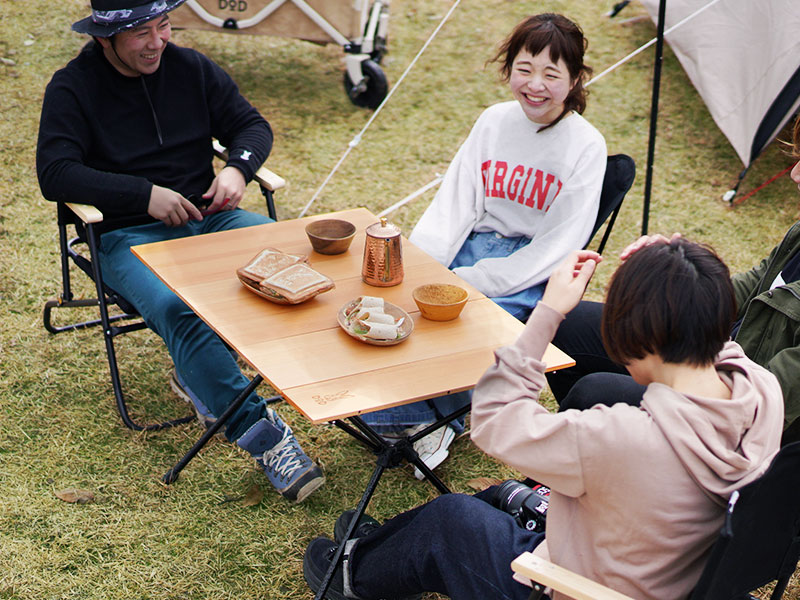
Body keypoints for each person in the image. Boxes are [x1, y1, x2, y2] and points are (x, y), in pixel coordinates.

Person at [303, 238, 783, 600]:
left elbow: (494, 419)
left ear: (635, 336)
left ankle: (349, 573)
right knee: (496, 496)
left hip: (578, 588)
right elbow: (725, 346)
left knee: (451, 523)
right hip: (662, 569)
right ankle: (384, 544)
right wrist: (681, 271)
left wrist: (548, 312)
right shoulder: (760, 392)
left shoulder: (619, 438)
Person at [36, 0, 324, 502]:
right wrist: (142, 194)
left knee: (302, 262)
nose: (158, 41)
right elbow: (55, 172)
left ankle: (237, 377)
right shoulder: (72, 86)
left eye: (163, 25)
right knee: (179, 307)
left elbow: (252, 126)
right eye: (141, 33)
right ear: (106, 39)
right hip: (126, 234)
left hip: (210, 216)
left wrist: (237, 168)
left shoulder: (191, 68)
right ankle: (265, 438)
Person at [360, 13, 608, 477]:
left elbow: (557, 244)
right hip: (473, 244)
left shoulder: (586, 145)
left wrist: (479, 279)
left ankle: (434, 423)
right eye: (524, 69)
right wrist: (426, 264)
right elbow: (455, 202)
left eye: (552, 74)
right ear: (508, 69)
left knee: (469, 317)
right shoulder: (493, 121)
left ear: (574, 79)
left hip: (527, 266)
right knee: (408, 304)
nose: (535, 85)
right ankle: (406, 412)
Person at [546, 113, 800, 445]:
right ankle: (612, 462)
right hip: (708, 364)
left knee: (595, 393)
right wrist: (676, 267)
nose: (794, 175)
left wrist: (678, 366)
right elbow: (735, 294)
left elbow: (766, 394)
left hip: (737, 423)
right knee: (571, 324)